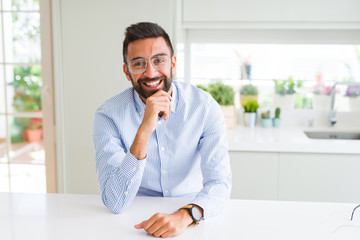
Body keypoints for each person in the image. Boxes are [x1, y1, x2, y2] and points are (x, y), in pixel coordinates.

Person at [92, 22, 232, 238]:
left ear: (173, 63)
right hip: (132, 223)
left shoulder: (203, 107)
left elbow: (219, 184)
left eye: (159, 60)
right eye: (138, 63)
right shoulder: (108, 116)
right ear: (126, 71)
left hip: (193, 216)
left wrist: (185, 215)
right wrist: (144, 130)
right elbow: (115, 202)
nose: (151, 72)